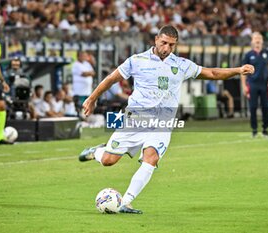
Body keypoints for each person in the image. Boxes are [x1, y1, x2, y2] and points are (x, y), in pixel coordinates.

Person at [78, 25, 254, 214]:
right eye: (164, 43)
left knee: (151, 158)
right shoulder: (137, 61)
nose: (167, 48)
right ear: (156, 40)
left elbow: (211, 73)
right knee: (108, 160)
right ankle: (97, 152)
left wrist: (238, 70)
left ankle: (126, 203)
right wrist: (91, 98)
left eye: (171, 45)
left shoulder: (181, 65)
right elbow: (111, 79)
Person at [241, 32, 268, 138]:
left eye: (259, 38)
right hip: (252, 84)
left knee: (266, 107)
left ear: (262, 41)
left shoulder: (267, 53)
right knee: (253, 107)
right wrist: (243, 86)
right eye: (255, 38)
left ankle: (265, 129)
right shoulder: (248, 55)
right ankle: (254, 130)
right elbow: (243, 72)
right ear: (252, 41)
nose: (258, 40)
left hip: (265, 84)